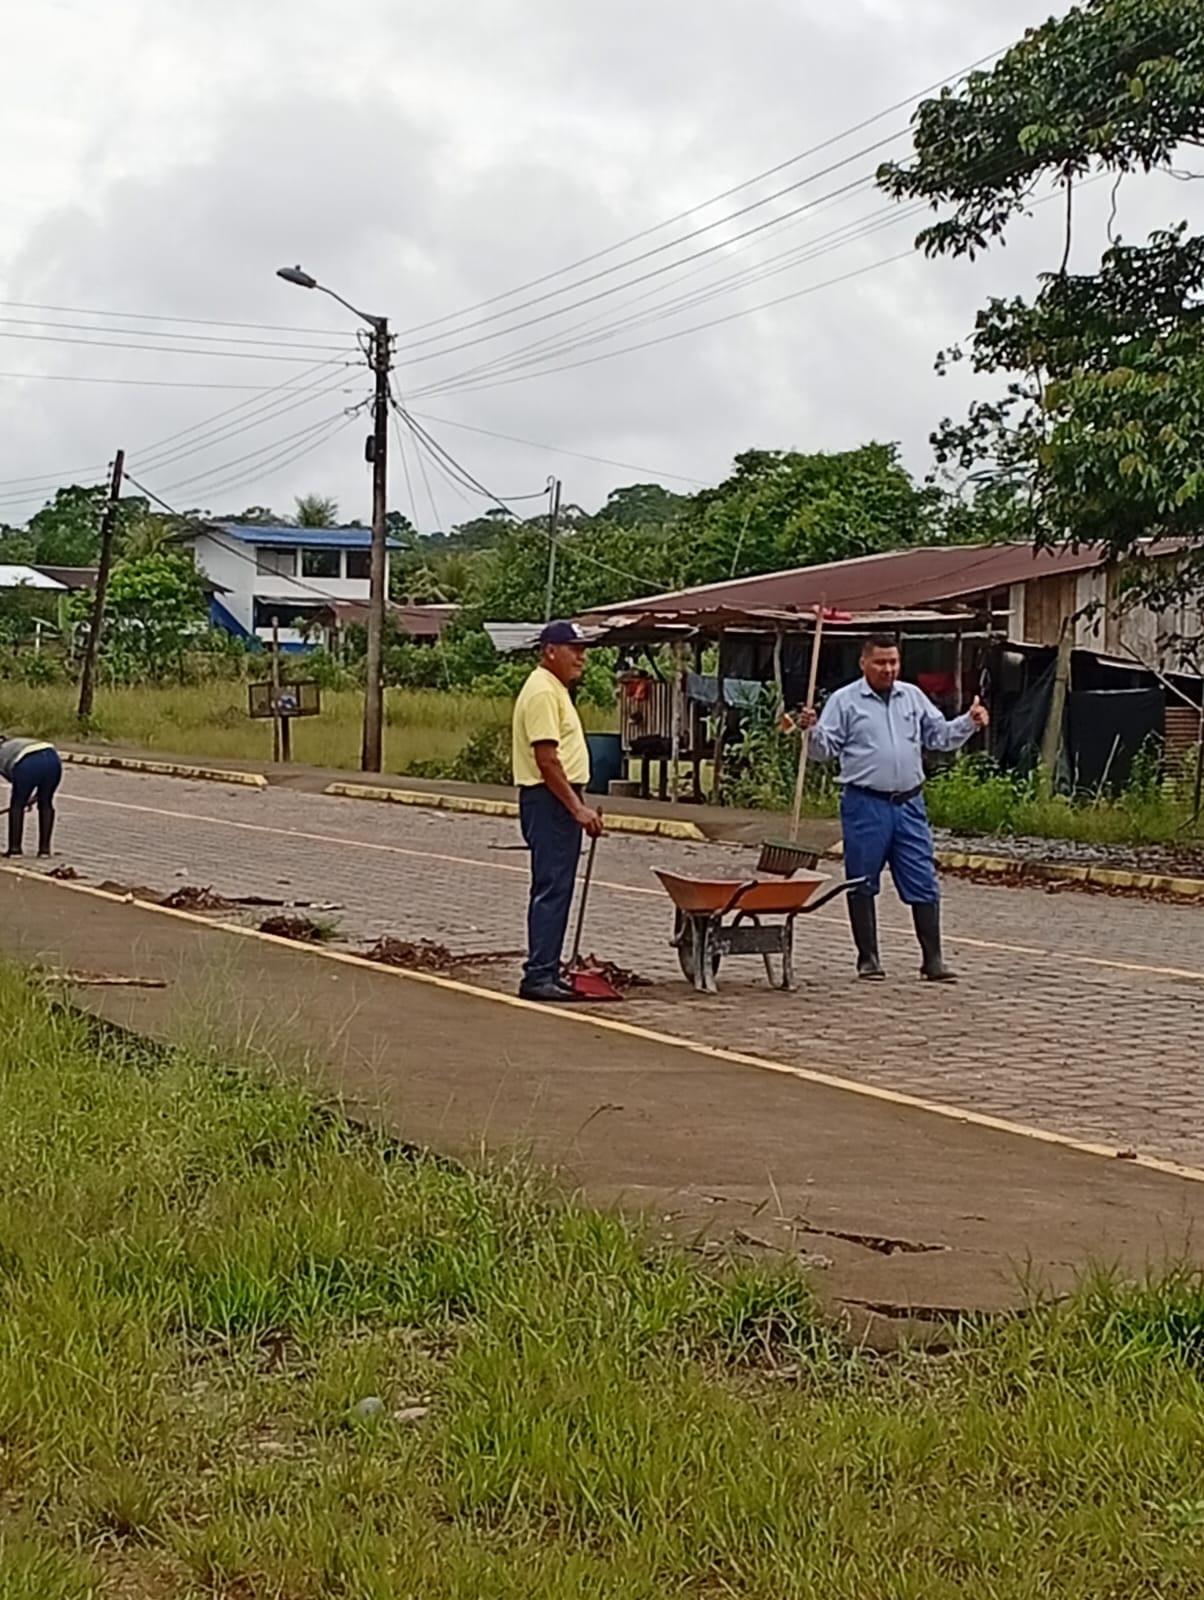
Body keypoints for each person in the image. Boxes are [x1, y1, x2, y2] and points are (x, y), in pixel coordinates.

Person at [799, 635, 989, 982]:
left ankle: (933, 960)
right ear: (864, 663)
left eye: (893, 662)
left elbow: (939, 736)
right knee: (861, 878)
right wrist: (811, 731)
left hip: (909, 804)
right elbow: (823, 750)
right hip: (865, 803)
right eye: (880, 662)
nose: (888, 669)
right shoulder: (845, 701)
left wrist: (969, 721)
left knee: (923, 878)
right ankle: (868, 958)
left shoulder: (912, 697)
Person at [511, 621, 604, 1002]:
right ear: (550, 650)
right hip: (548, 800)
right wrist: (577, 807)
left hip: (556, 799)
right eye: (573, 649)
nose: (581, 657)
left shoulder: (555, 689)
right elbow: (547, 760)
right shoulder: (542, 692)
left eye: (583, 649)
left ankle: (548, 968)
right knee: (552, 886)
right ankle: (539, 974)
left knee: (559, 886)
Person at [0, 735, 63, 859]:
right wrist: (31, 796)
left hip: (27, 763)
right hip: (53, 759)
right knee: (46, 803)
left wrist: (24, 796)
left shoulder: (3, 752)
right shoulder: (15, 743)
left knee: (17, 806)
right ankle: (44, 850)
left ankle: (15, 850)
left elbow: (13, 778)